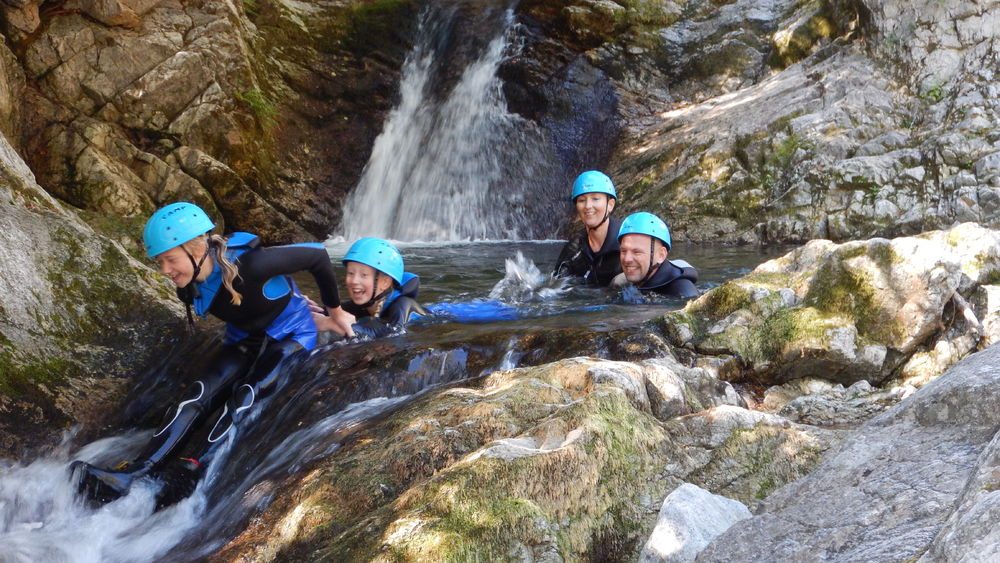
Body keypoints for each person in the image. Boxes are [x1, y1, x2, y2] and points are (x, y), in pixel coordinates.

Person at [72, 202, 355, 506]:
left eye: (169, 260)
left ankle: (194, 468)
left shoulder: (252, 266)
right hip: (244, 336)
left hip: (291, 333)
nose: (164, 271)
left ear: (196, 250)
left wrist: (335, 312)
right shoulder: (190, 281)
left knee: (247, 393)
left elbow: (318, 255)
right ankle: (137, 471)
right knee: (196, 396)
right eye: (160, 262)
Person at [311, 237, 427, 338]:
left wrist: (330, 324)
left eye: (364, 275)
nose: (354, 281)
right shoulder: (365, 305)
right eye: (350, 273)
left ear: (385, 282)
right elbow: (333, 312)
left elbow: (391, 335)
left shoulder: (403, 306)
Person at [553, 170, 623, 286]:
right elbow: (554, 288)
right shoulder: (573, 249)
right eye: (582, 200)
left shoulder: (628, 241)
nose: (588, 206)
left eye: (595, 199)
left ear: (610, 205)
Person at [614, 211, 699, 299]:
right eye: (623, 251)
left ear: (661, 255)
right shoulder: (620, 283)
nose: (627, 259)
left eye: (637, 252)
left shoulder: (684, 292)